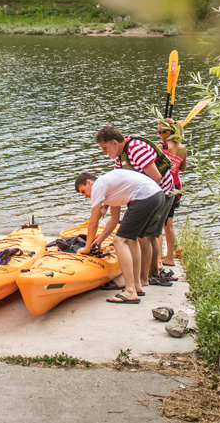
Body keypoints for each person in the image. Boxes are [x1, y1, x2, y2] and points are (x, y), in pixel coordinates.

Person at [74, 170, 173, 304]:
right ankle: (137, 286)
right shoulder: (110, 188)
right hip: (157, 196)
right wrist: (100, 240)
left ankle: (130, 291)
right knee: (132, 239)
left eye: (83, 191)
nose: (85, 196)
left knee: (119, 240)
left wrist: (86, 248)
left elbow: (93, 222)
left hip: (145, 196)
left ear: (88, 183)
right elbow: (114, 220)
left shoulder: (98, 185)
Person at [95, 125, 175, 287]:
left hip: (162, 192)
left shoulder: (137, 150)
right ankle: (149, 274)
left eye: (105, 148)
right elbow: (118, 182)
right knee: (147, 235)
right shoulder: (120, 157)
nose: (104, 152)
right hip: (149, 195)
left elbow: (156, 178)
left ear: (115, 143)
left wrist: (142, 202)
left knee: (145, 235)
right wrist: (105, 206)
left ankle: (146, 276)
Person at [157, 118, 187, 270]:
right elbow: (182, 168)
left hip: (164, 187)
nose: (159, 135)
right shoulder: (182, 148)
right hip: (176, 188)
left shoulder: (161, 147)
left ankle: (158, 258)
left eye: (161, 132)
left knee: (158, 224)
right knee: (169, 225)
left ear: (168, 133)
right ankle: (170, 258)